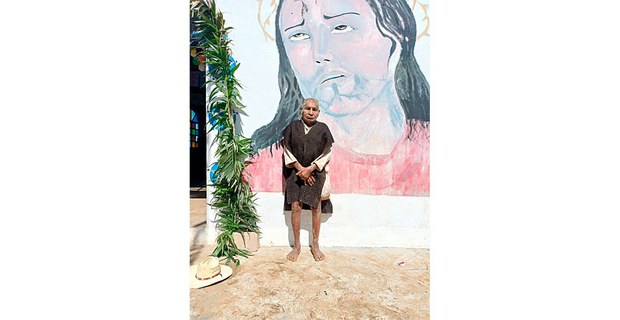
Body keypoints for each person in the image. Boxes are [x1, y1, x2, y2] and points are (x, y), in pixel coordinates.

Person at [248, 0, 430, 196]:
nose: (320, 53)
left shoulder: (430, 150)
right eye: (299, 35)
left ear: (397, 30)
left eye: (342, 27)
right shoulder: (262, 172)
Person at [282, 98, 334, 262]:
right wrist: (300, 170)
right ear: (301, 110)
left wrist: (310, 169)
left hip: (315, 174)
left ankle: (315, 245)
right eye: (308, 109)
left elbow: (327, 153)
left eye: (315, 109)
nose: (311, 112)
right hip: (295, 174)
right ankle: (297, 246)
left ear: (318, 112)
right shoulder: (292, 128)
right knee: (296, 207)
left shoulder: (323, 129)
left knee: (315, 207)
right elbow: (287, 150)